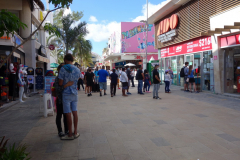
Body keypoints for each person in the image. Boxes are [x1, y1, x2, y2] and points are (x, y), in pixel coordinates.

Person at [58, 54, 80, 140]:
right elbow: (76, 80)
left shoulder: (63, 69)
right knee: (75, 112)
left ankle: (70, 134)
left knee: (68, 114)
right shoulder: (77, 69)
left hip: (66, 93)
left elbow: (60, 83)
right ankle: (75, 132)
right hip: (74, 93)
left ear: (65, 60)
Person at [54, 63, 73, 137]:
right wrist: (66, 85)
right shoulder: (57, 78)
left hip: (66, 100)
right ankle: (60, 131)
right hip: (60, 100)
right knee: (59, 116)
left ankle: (67, 130)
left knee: (66, 115)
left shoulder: (66, 78)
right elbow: (58, 89)